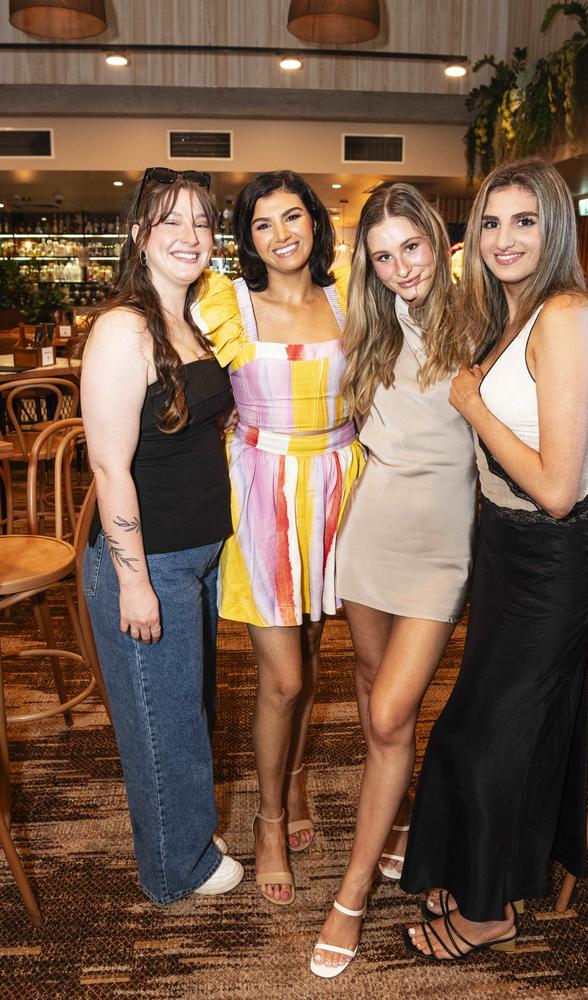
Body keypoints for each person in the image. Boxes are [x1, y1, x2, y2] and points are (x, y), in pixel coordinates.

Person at [401, 157, 588, 961]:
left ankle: (489, 910)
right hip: (504, 546)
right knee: (501, 728)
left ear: (554, 226)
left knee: (485, 733)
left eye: (524, 221)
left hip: (553, 557)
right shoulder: (511, 313)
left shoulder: (564, 315)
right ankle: (483, 867)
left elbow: (559, 487)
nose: (504, 238)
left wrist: (471, 405)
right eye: (491, 222)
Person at [310, 183, 477, 978]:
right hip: (370, 535)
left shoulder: (479, 319)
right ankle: (400, 818)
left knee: (389, 712)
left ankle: (350, 896)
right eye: (383, 256)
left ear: (437, 243)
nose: (400, 266)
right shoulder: (369, 331)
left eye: (411, 247)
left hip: (444, 549)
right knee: (372, 687)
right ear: (368, 268)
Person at [193, 171, 365, 905]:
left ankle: (294, 780)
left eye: (292, 216)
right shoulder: (225, 303)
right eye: (262, 224)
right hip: (262, 489)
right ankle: (267, 821)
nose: (281, 233)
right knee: (284, 675)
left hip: (343, 483)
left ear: (315, 224)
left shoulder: (353, 294)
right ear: (248, 238)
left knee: (317, 645)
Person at [80, 168, 244, 904]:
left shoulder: (189, 318)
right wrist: (135, 579)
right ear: (140, 234)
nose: (189, 236)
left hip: (195, 558)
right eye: (169, 221)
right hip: (150, 564)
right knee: (162, 726)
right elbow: (110, 466)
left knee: (188, 711)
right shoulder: (124, 327)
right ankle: (173, 871)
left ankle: (185, 830)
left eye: (202, 222)